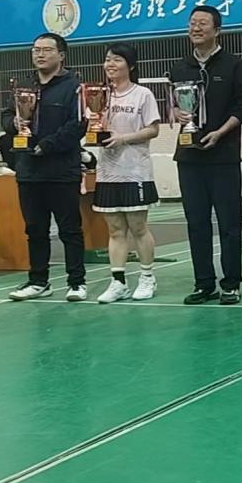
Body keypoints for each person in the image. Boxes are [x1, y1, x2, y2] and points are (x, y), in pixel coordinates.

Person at [170, 5, 242, 305]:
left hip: (223, 156)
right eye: (192, 23)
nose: (196, 28)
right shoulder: (180, 67)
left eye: (203, 23)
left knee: (229, 223)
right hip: (189, 157)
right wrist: (175, 112)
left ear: (217, 30)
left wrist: (220, 132)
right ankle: (204, 283)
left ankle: (231, 283)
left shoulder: (234, 65)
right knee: (196, 223)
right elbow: (173, 105)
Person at [0, 33, 88, 302]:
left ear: (61, 55)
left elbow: (78, 125)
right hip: (29, 171)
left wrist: (47, 146)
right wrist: (14, 123)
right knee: (35, 230)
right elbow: (7, 115)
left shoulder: (74, 87)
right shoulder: (24, 86)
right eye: (36, 50)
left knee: (69, 230)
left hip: (61, 171)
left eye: (46, 50)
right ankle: (38, 281)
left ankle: (77, 282)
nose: (39, 54)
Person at [92, 43, 162, 304]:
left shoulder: (143, 94)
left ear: (130, 66)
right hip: (107, 171)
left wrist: (123, 138)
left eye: (117, 60)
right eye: (108, 59)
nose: (110, 64)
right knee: (115, 229)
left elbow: (153, 130)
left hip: (135, 172)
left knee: (138, 227)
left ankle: (147, 277)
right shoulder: (99, 96)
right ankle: (118, 282)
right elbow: (92, 127)